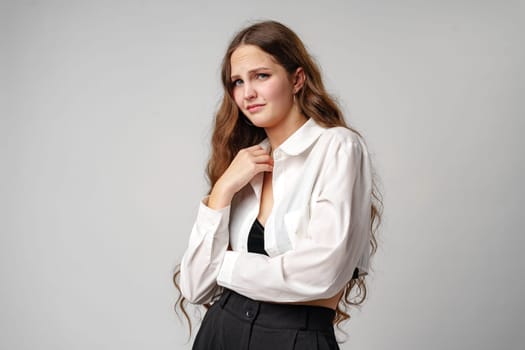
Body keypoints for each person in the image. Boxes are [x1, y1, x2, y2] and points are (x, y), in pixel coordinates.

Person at [173, 20, 382, 350]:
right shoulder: (243, 165)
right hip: (221, 333)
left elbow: (321, 273)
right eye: (237, 82)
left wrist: (222, 264)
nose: (248, 93)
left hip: (295, 338)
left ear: (297, 79)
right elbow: (195, 285)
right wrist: (223, 189)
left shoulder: (337, 147)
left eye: (261, 76)